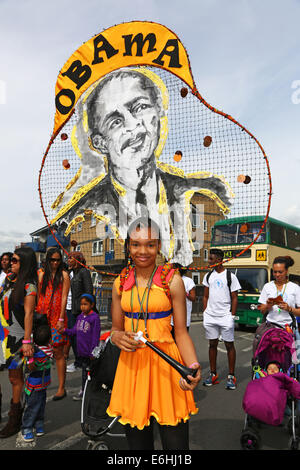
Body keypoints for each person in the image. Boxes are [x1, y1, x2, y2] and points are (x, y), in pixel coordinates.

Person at [51, 68, 233, 266]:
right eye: (116, 121)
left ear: (158, 113)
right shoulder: (79, 214)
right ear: (100, 143)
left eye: (139, 107)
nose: (134, 125)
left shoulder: (209, 193)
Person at [106, 217, 201, 451]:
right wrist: (116, 336)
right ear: (128, 246)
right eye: (136, 244)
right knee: (138, 445)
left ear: (159, 246)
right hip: (132, 367)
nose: (143, 251)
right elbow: (116, 329)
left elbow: (180, 332)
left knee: (175, 444)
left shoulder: (173, 280)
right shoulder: (120, 283)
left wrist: (193, 364)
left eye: (150, 244)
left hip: (166, 366)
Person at [0, 247, 38, 438]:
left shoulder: (29, 286)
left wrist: (26, 341)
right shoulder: (8, 280)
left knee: (15, 379)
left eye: (15, 260)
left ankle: (14, 419)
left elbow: (29, 314)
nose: (10, 262)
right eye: (11, 260)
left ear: (24, 264)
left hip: (16, 339)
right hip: (2, 336)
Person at [202, 248, 241, 390]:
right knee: (212, 344)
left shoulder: (230, 276)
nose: (209, 261)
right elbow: (205, 296)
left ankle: (231, 375)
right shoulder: (207, 276)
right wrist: (206, 312)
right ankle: (213, 374)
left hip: (225, 316)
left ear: (219, 260)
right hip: (211, 316)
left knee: (229, 345)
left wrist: (231, 315)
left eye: (211, 259)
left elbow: (234, 297)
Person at [36, 247, 70, 400]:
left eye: (58, 260)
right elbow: (38, 295)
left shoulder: (64, 275)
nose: (55, 262)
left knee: (58, 352)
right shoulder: (42, 274)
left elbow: (64, 298)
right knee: (41, 349)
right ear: (48, 260)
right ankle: (39, 384)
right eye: (52, 260)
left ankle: (61, 388)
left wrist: (62, 319)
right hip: (43, 316)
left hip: (57, 317)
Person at [253, 256, 300, 354]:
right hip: (270, 329)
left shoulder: (295, 288)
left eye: (280, 272)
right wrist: (268, 306)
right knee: (270, 358)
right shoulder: (267, 286)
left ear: (286, 271)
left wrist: (289, 308)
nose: (277, 275)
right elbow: (262, 310)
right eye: (275, 272)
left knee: (288, 359)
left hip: (288, 329)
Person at [59, 293, 101, 401]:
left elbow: (95, 336)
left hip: (89, 353)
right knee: (84, 372)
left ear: (92, 305)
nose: (83, 307)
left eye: (85, 304)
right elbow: (74, 331)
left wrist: (93, 352)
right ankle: (84, 390)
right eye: (81, 304)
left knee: (90, 373)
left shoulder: (94, 318)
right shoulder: (79, 317)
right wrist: (65, 331)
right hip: (81, 351)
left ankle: (89, 391)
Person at [21, 324, 53, 442]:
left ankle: (38, 423)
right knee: (33, 407)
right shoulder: (34, 351)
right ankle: (27, 427)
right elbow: (30, 364)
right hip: (34, 385)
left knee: (41, 405)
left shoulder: (45, 348)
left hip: (42, 384)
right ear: (49, 339)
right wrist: (31, 360)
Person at [65, 251, 93, 373]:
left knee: (80, 337)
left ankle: (82, 362)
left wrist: (86, 310)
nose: (68, 260)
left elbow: (89, 291)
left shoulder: (84, 272)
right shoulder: (70, 273)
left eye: (71, 258)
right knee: (72, 337)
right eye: (68, 258)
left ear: (77, 260)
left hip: (79, 310)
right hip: (69, 308)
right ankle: (78, 361)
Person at [171, 265, 196, 337]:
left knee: (181, 341)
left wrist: (184, 293)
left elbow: (193, 298)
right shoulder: (170, 279)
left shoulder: (188, 281)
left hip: (184, 319)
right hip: (170, 319)